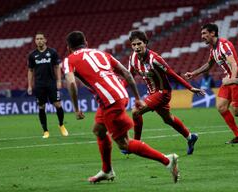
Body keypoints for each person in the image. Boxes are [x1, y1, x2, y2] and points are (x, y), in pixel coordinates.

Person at [63, 31, 179, 183]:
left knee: (124, 143)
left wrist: (76, 108)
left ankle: (167, 160)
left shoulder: (69, 59)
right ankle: (107, 170)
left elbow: (71, 83)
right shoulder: (101, 53)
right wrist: (137, 98)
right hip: (117, 94)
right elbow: (126, 73)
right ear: (86, 42)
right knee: (98, 130)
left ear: (68, 47)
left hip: (110, 100)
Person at [128, 30, 205, 155]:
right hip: (152, 94)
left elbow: (172, 74)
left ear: (145, 43)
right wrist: (118, 89)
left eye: (139, 44)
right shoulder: (132, 58)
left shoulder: (155, 58)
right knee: (168, 119)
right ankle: (190, 137)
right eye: (133, 45)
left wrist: (190, 88)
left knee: (136, 111)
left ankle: (136, 144)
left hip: (163, 92)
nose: (136, 47)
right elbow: (129, 77)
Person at [185, 23, 238, 144]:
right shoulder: (213, 48)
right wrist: (194, 73)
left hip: (237, 78)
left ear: (213, 33)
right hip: (228, 80)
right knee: (221, 107)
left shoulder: (224, 45)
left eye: (204, 33)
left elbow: (233, 64)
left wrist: (232, 80)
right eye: (202, 34)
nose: (202, 36)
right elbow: (209, 65)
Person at [27, 32, 68, 138]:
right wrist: (30, 85)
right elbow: (30, 70)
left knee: (58, 105)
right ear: (35, 41)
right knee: (41, 107)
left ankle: (61, 125)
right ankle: (45, 131)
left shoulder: (52, 52)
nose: (39, 40)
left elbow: (57, 67)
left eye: (41, 38)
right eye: (37, 39)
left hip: (51, 83)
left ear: (45, 40)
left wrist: (59, 81)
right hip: (39, 84)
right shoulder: (32, 55)